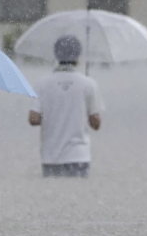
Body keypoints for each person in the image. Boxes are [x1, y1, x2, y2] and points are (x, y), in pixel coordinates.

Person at [28, 35, 104, 178]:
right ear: (78, 55)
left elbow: (34, 119)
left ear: (56, 54)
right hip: (79, 156)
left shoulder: (41, 84)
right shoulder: (89, 84)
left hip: (50, 156)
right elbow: (96, 123)